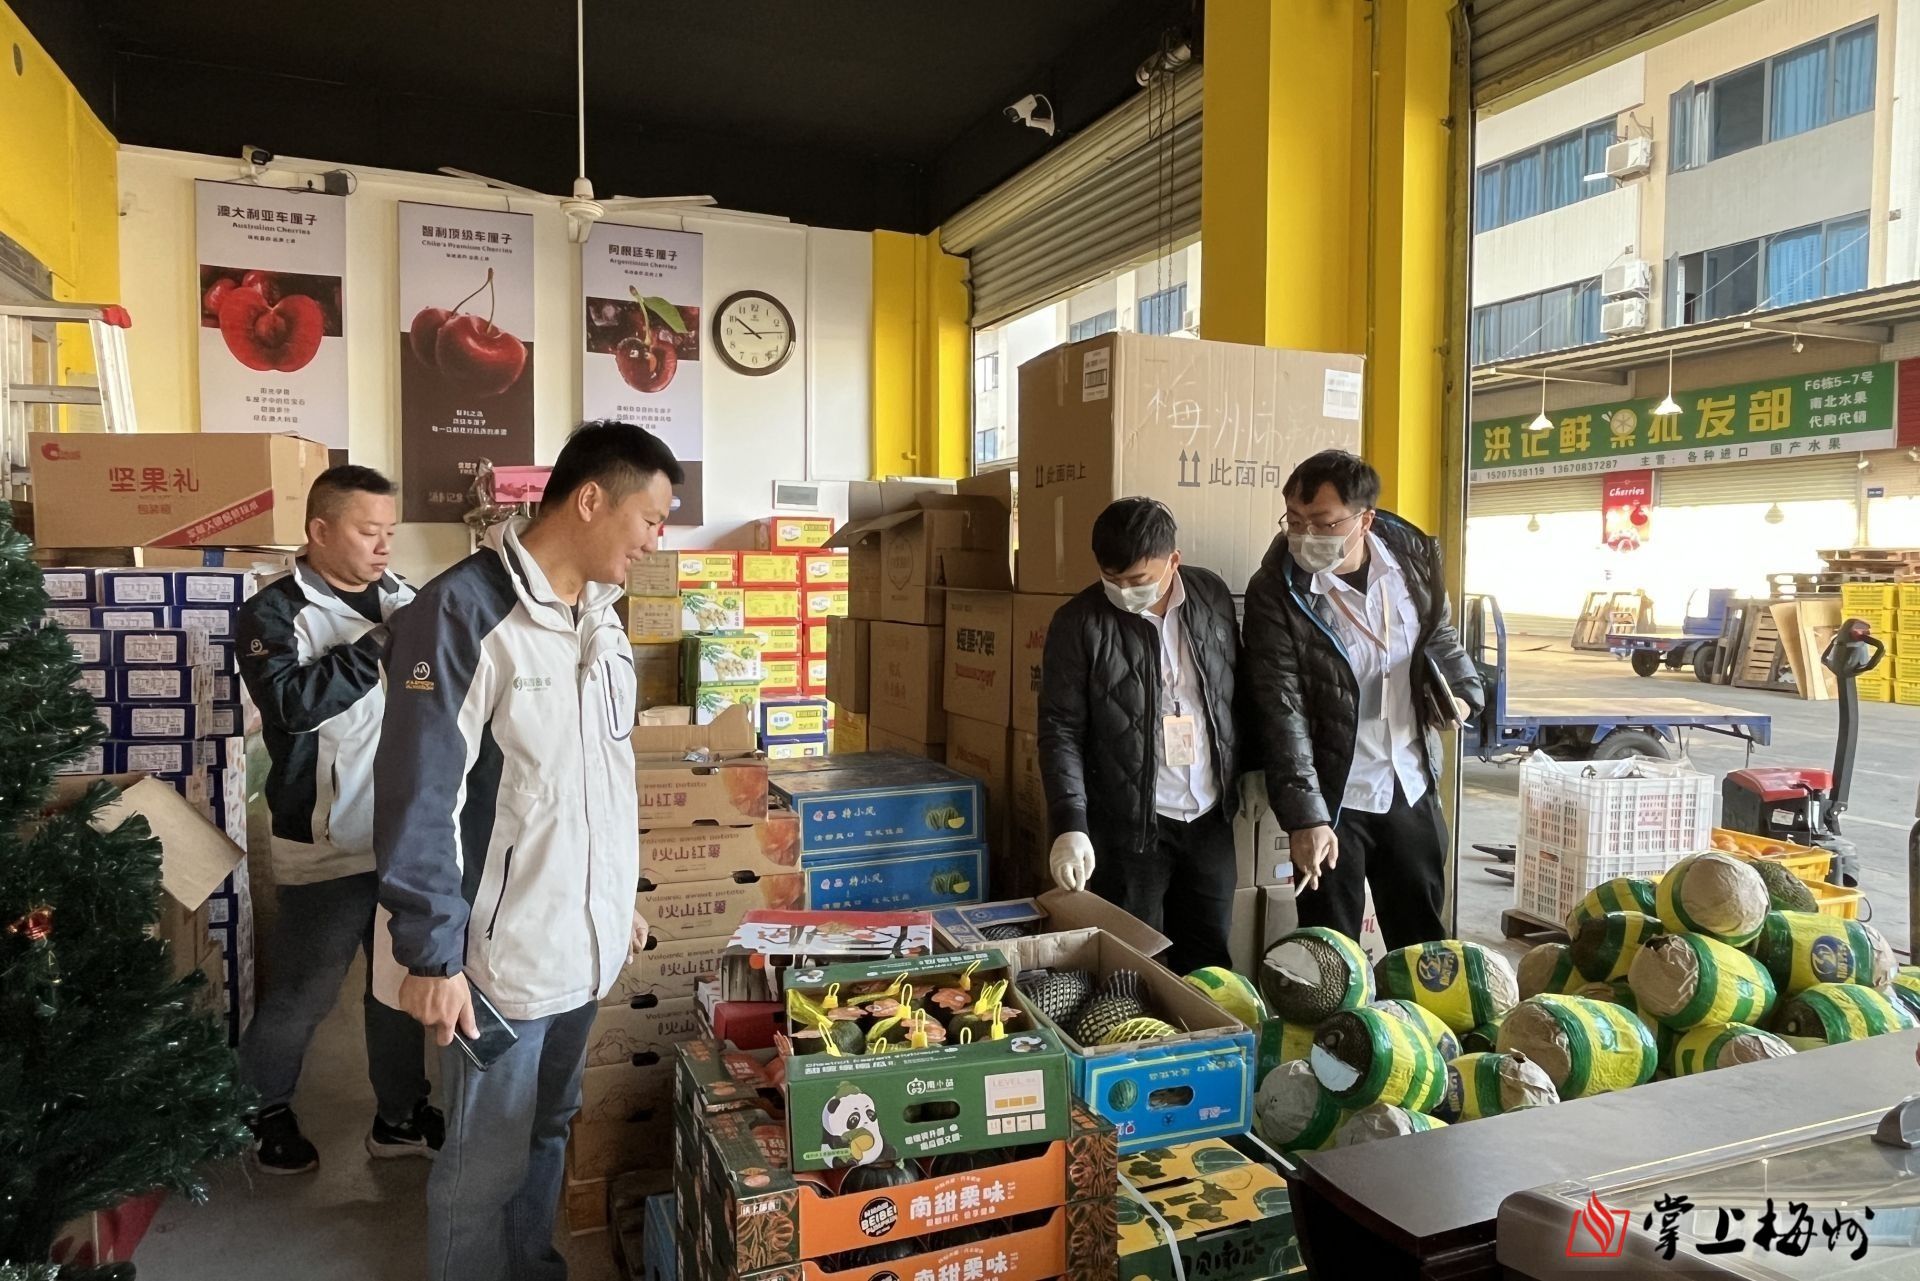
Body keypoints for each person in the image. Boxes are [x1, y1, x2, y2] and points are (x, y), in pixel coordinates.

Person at [374, 420, 673, 1281]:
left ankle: (531, 1267)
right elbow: (422, 793)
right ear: (590, 499)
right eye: (650, 519)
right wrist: (431, 952)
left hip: (582, 945)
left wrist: (617, 896)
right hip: (497, 963)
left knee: (550, 1125)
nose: (656, 542)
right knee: (483, 1161)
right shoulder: (465, 613)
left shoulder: (602, 621)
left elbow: (595, 782)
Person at [234, 464, 437, 1173]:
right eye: (365, 530)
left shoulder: (406, 598)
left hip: (405, 841)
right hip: (324, 844)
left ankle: (400, 1115)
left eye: (388, 531)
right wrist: (381, 643)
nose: (383, 546)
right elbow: (290, 704)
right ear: (319, 531)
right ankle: (261, 1111)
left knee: (399, 991)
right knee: (303, 993)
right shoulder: (272, 613)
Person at [1241, 450, 1483, 951]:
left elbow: (1440, 638)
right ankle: (1337, 1033)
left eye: (1324, 522)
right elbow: (1280, 710)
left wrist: (1462, 694)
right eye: (1295, 520)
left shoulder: (1412, 562)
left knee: (1421, 947)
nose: (1306, 534)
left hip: (1409, 782)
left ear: (1365, 519)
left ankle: (1419, 1030)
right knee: (1330, 956)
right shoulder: (1276, 592)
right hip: (1336, 796)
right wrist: (1306, 818)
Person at [1036, 497, 1256, 975]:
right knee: (1133, 965)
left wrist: (1254, 772)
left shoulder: (1210, 595)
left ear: (1173, 561)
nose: (1124, 591)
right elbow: (1060, 729)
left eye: (1138, 580)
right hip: (1130, 825)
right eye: (1111, 579)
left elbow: (1236, 691)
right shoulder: (1078, 622)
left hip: (1210, 814)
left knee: (1210, 957)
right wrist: (1070, 822)